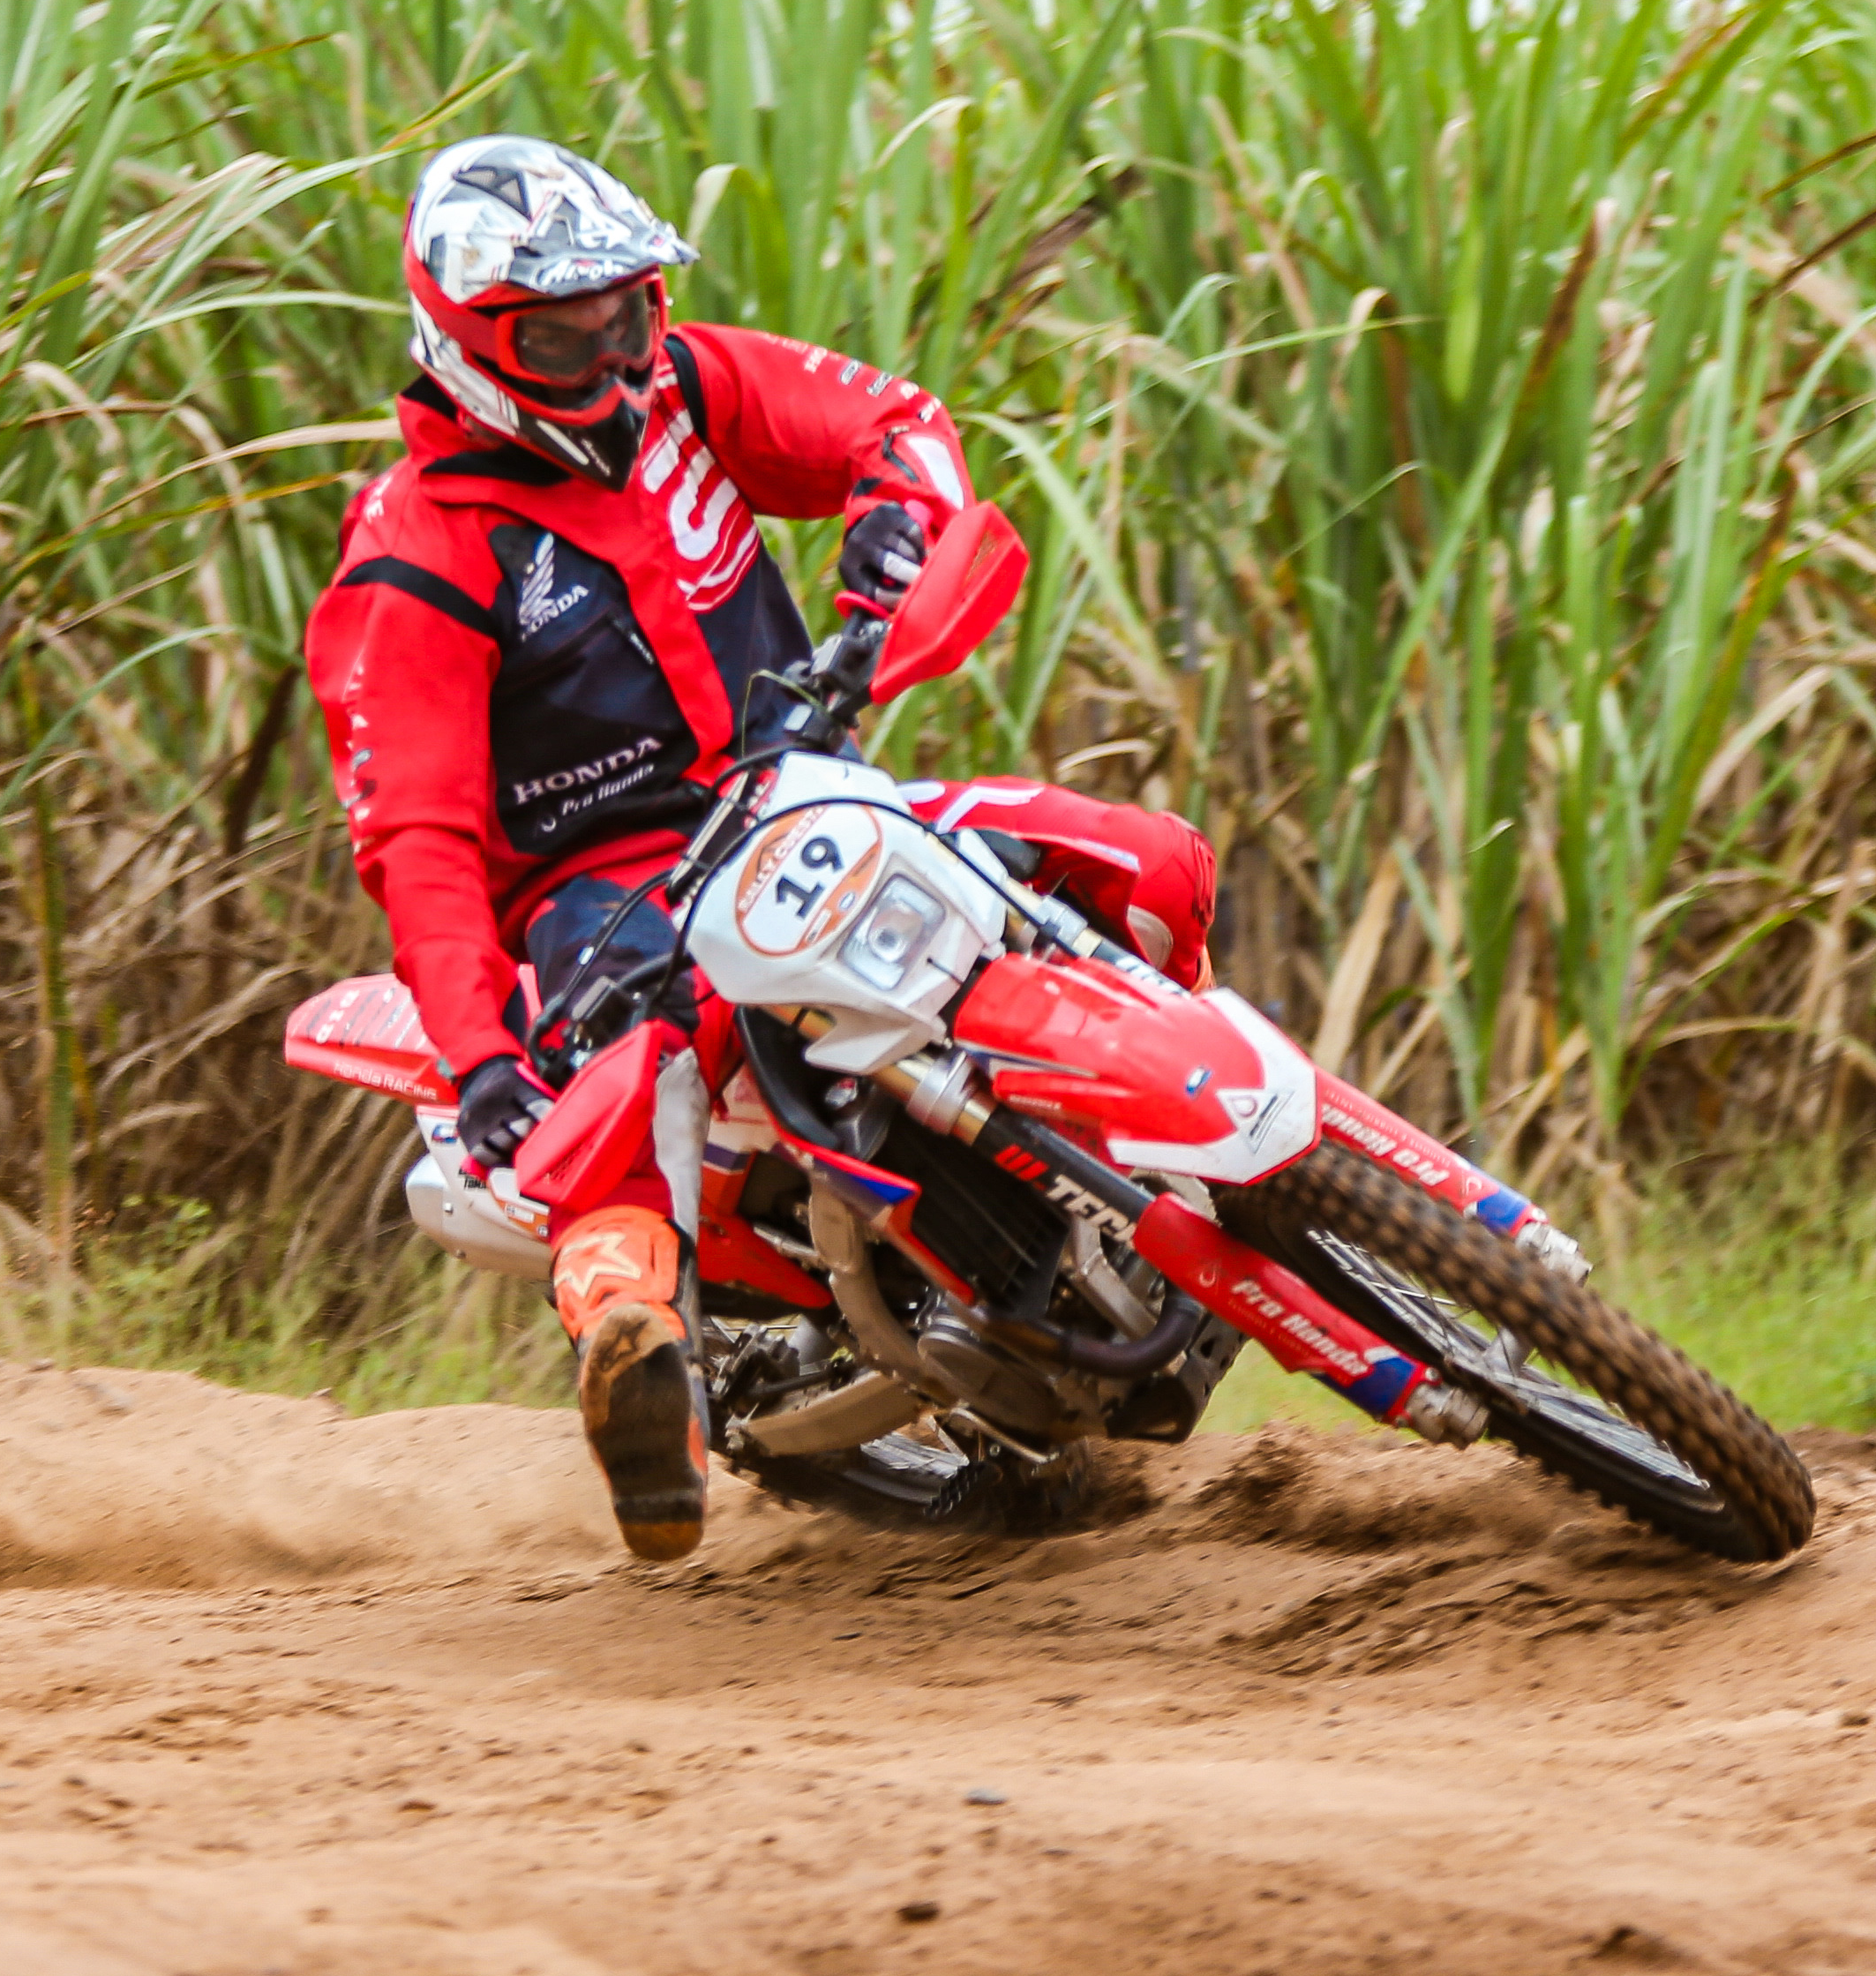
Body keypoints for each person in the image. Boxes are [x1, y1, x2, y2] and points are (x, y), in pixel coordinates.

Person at [304, 136, 1216, 1559]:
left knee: (1143, 858)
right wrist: (481, 1054)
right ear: (469, 342)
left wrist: (891, 541)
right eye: (563, 334)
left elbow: (889, 420)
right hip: (607, 894)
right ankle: (632, 1348)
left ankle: (1202, 1169)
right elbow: (416, 835)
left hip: (811, 799)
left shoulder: (685, 389)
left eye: (628, 314)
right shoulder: (418, 551)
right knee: (644, 1068)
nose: (611, 359)